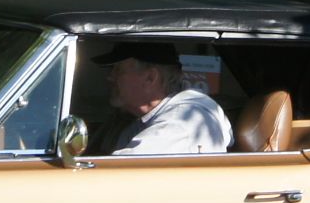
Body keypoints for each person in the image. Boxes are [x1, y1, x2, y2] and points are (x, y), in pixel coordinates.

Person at [96, 41, 232, 155]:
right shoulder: (140, 120)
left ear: (150, 78)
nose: (110, 77)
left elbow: (120, 172)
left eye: (118, 70)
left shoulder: (181, 122)